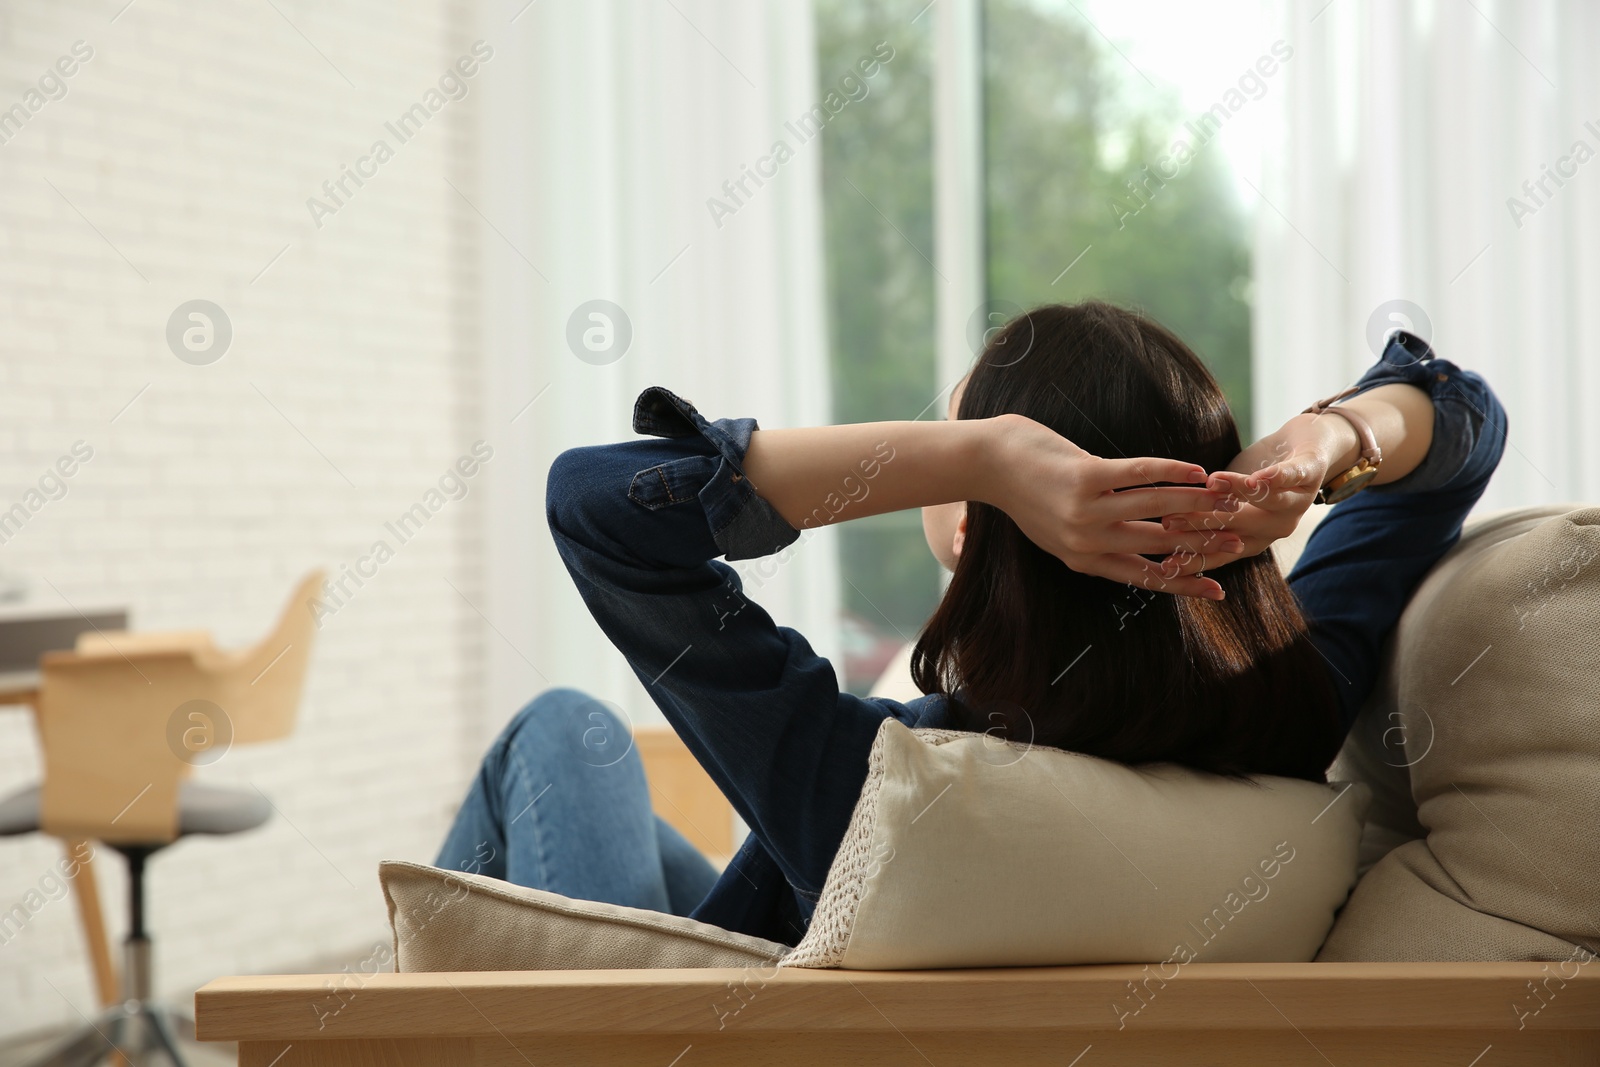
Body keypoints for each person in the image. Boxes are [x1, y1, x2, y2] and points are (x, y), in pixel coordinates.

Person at [436, 299, 1506, 946]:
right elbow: (1459, 411)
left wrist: (980, 454)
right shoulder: (1293, 699)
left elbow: (598, 501)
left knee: (558, 732)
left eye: (953, 432)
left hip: (677, 1006)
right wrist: (1316, 448)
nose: (950, 446)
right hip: (767, 914)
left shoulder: (876, 784)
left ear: (989, 525)